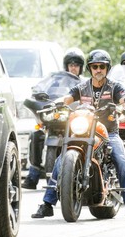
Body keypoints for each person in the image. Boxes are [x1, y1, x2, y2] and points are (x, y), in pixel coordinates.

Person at [31, 49, 125, 219]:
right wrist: (53, 104)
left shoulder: (114, 87)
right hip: (83, 131)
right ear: (90, 68)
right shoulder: (82, 87)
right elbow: (66, 98)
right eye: (95, 66)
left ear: (107, 68)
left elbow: (123, 98)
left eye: (102, 67)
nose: (98, 70)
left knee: (121, 160)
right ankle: (47, 203)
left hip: (108, 133)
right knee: (61, 160)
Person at [22, 47, 85, 189]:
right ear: (66, 66)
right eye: (71, 65)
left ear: (81, 68)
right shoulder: (55, 81)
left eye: (76, 65)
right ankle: (33, 175)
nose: (73, 68)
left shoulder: (84, 83)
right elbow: (40, 87)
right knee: (36, 134)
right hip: (56, 118)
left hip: (73, 121)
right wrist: (39, 93)